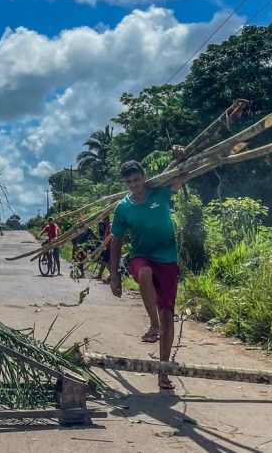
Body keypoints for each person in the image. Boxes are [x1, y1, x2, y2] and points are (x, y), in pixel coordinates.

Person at [109, 156, 184, 391]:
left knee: (169, 317)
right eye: (129, 182)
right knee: (144, 273)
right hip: (141, 255)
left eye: (137, 179)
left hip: (168, 260)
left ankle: (163, 373)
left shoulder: (161, 192)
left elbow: (182, 176)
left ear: (144, 176)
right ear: (125, 184)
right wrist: (114, 275)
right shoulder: (123, 208)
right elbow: (117, 241)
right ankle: (154, 325)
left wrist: (179, 158)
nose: (134, 184)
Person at [95, 214, 113, 282]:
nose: (103, 221)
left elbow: (111, 236)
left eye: (104, 220)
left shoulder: (110, 225)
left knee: (104, 261)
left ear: (107, 219)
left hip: (111, 247)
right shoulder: (107, 227)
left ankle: (112, 274)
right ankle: (99, 275)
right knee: (103, 261)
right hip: (107, 246)